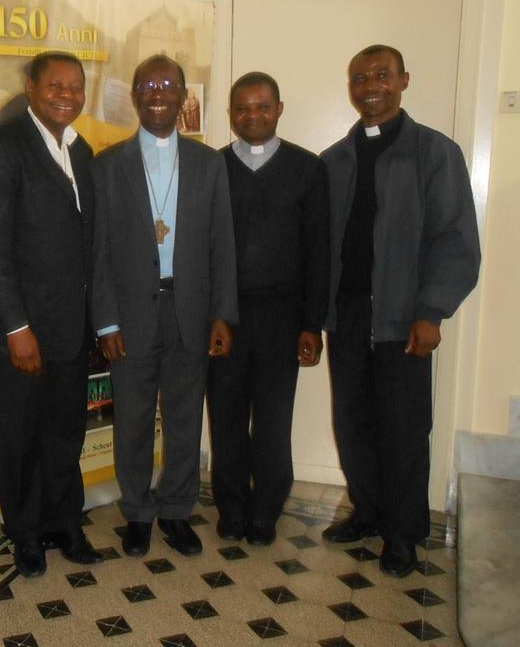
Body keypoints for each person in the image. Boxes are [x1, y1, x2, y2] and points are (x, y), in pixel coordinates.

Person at [321, 45, 480, 577]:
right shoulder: (335, 160)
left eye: (381, 75)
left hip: (404, 318)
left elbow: (455, 240)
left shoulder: (434, 153)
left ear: (404, 80)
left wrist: (432, 311)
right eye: (360, 77)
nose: (371, 86)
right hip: (348, 316)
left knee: (405, 429)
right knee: (352, 421)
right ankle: (367, 512)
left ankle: (404, 533)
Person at [91, 55, 238, 558]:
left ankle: (176, 510)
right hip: (130, 315)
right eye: (148, 85)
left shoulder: (209, 163)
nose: (158, 93)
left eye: (168, 85)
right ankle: (137, 512)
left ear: (183, 97)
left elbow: (222, 245)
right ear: (135, 95)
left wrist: (222, 315)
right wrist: (106, 321)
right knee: (132, 420)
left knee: (184, 418)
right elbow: (99, 252)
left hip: (190, 311)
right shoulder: (108, 165)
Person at [0, 51, 103, 577]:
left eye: (76, 86)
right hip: (22, 329)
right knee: (19, 434)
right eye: (56, 85)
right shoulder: (0, 147)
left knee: (65, 431)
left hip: (71, 325)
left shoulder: (82, 150)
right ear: (31, 87)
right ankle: (25, 532)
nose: (67, 95)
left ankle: (64, 521)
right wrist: (15, 327)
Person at [206, 72, 329, 547]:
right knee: (226, 416)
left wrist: (312, 324)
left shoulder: (308, 169)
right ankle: (232, 507)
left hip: (283, 318)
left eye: (262, 106)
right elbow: (205, 249)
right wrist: (215, 314)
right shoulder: (214, 167)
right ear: (231, 114)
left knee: (274, 419)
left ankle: (266, 509)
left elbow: (319, 252)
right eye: (242, 108)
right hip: (227, 317)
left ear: (279, 109)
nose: (252, 115)